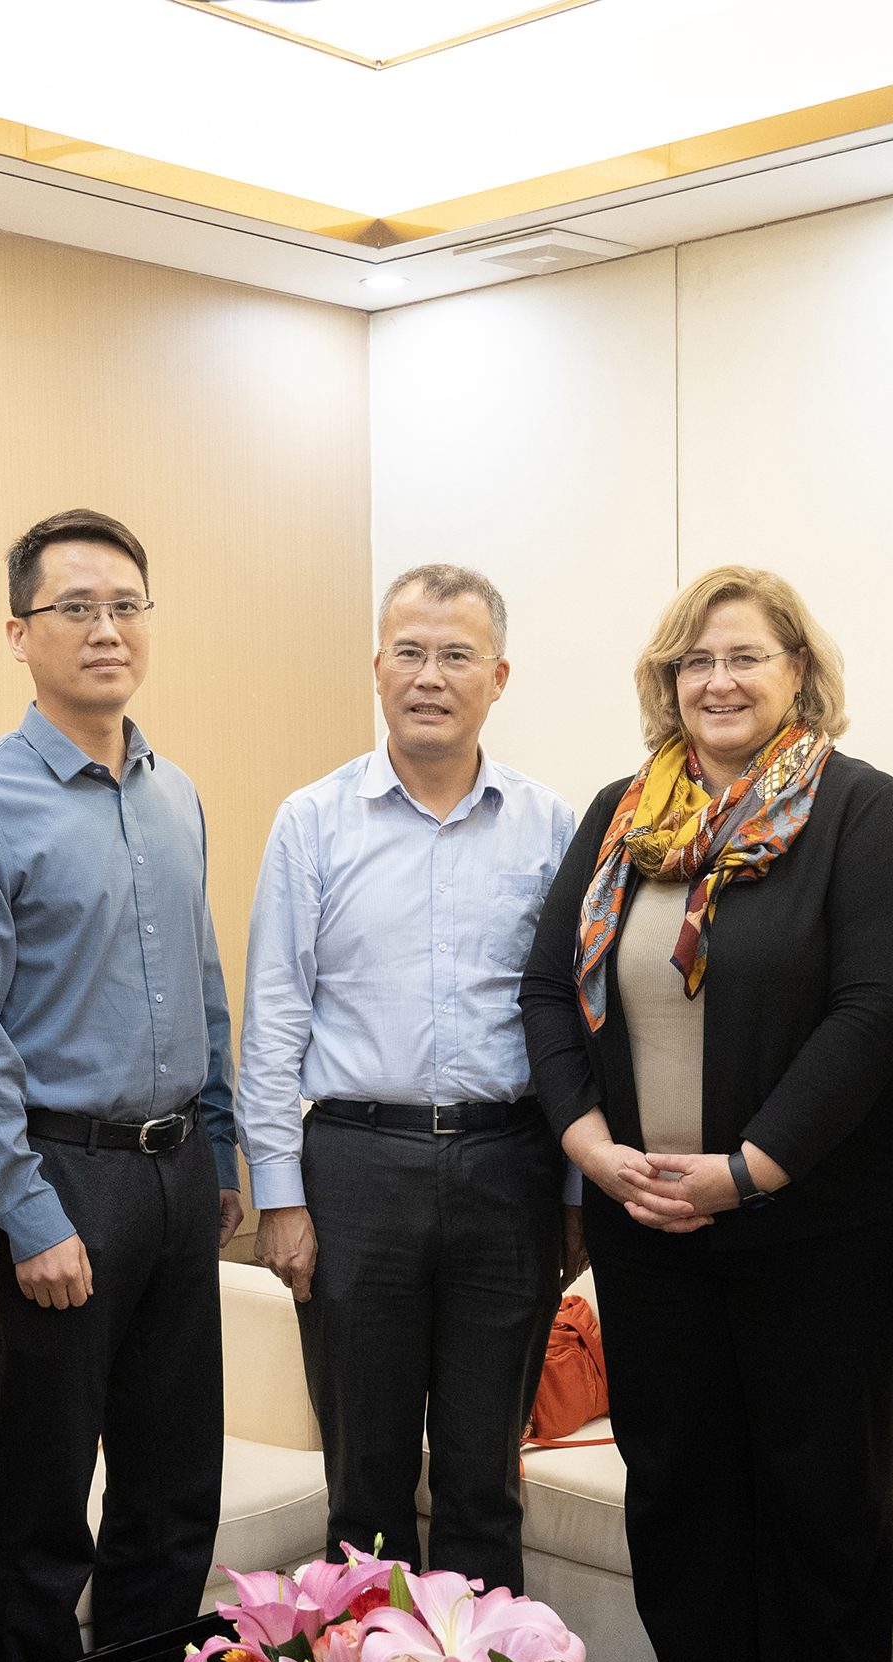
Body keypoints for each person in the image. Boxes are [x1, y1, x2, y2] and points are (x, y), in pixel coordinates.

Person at [517, 564, 893, 1662]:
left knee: (820, 1525)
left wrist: (749, 1170)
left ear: (798, 671)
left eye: (747, 656)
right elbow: (547, 989)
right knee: (683, 1516)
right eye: (695, 661)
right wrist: (588, 1144)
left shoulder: (858, 809)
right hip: (649, 1236)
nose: (719, 681)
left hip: (821, 1239)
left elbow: (876, 1011)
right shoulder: (622, 814)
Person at [0, 506, 241, 1662]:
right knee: (45, 1505)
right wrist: (26, 1211)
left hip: (179, 1174)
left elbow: (205, 979)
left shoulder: (174, 790)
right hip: (62, 1176)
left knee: (174, 1488)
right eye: (75, 607)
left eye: (125, 606)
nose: (106, 629)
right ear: (19, 632)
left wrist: (221, 1151)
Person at [240, 562, 578, 1591]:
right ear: (378, 667)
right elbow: (273, 1019)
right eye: (411, 653)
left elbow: (577, 1022)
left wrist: (573, 1194)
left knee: (485, 1481)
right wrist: (280, 1197)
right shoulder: (312, 820)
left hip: (509, 1166)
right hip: (355, 1168)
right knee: (365, 1485)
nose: (431, 676)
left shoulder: (551, 826)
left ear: (499, 676)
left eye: (457, 655)